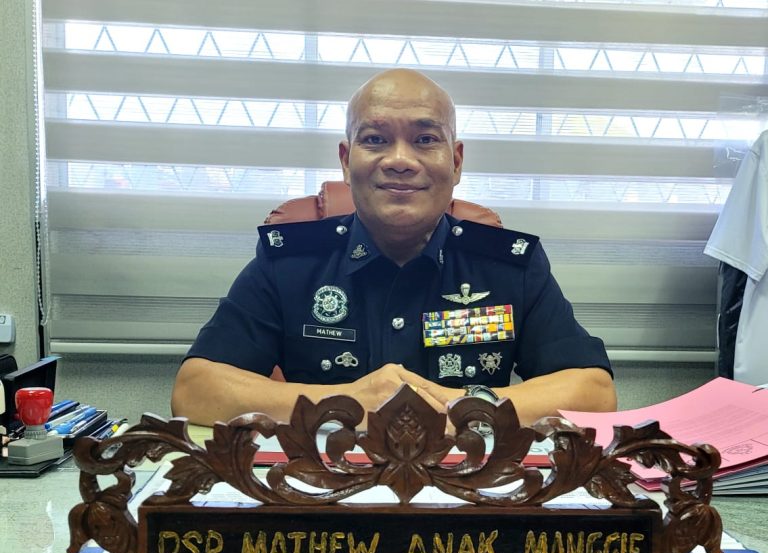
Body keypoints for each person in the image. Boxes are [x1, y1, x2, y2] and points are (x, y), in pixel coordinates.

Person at [171, 68, 616, 427]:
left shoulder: (507, 266)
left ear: (456, 162)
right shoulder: (291, 262)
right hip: (323, 492)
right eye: (375, 139)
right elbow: (196, 390)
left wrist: (462, 407)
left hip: (467, 492)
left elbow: (594, 392)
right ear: (346, 161)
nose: (400, 160)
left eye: (425, 139)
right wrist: (347, 403)